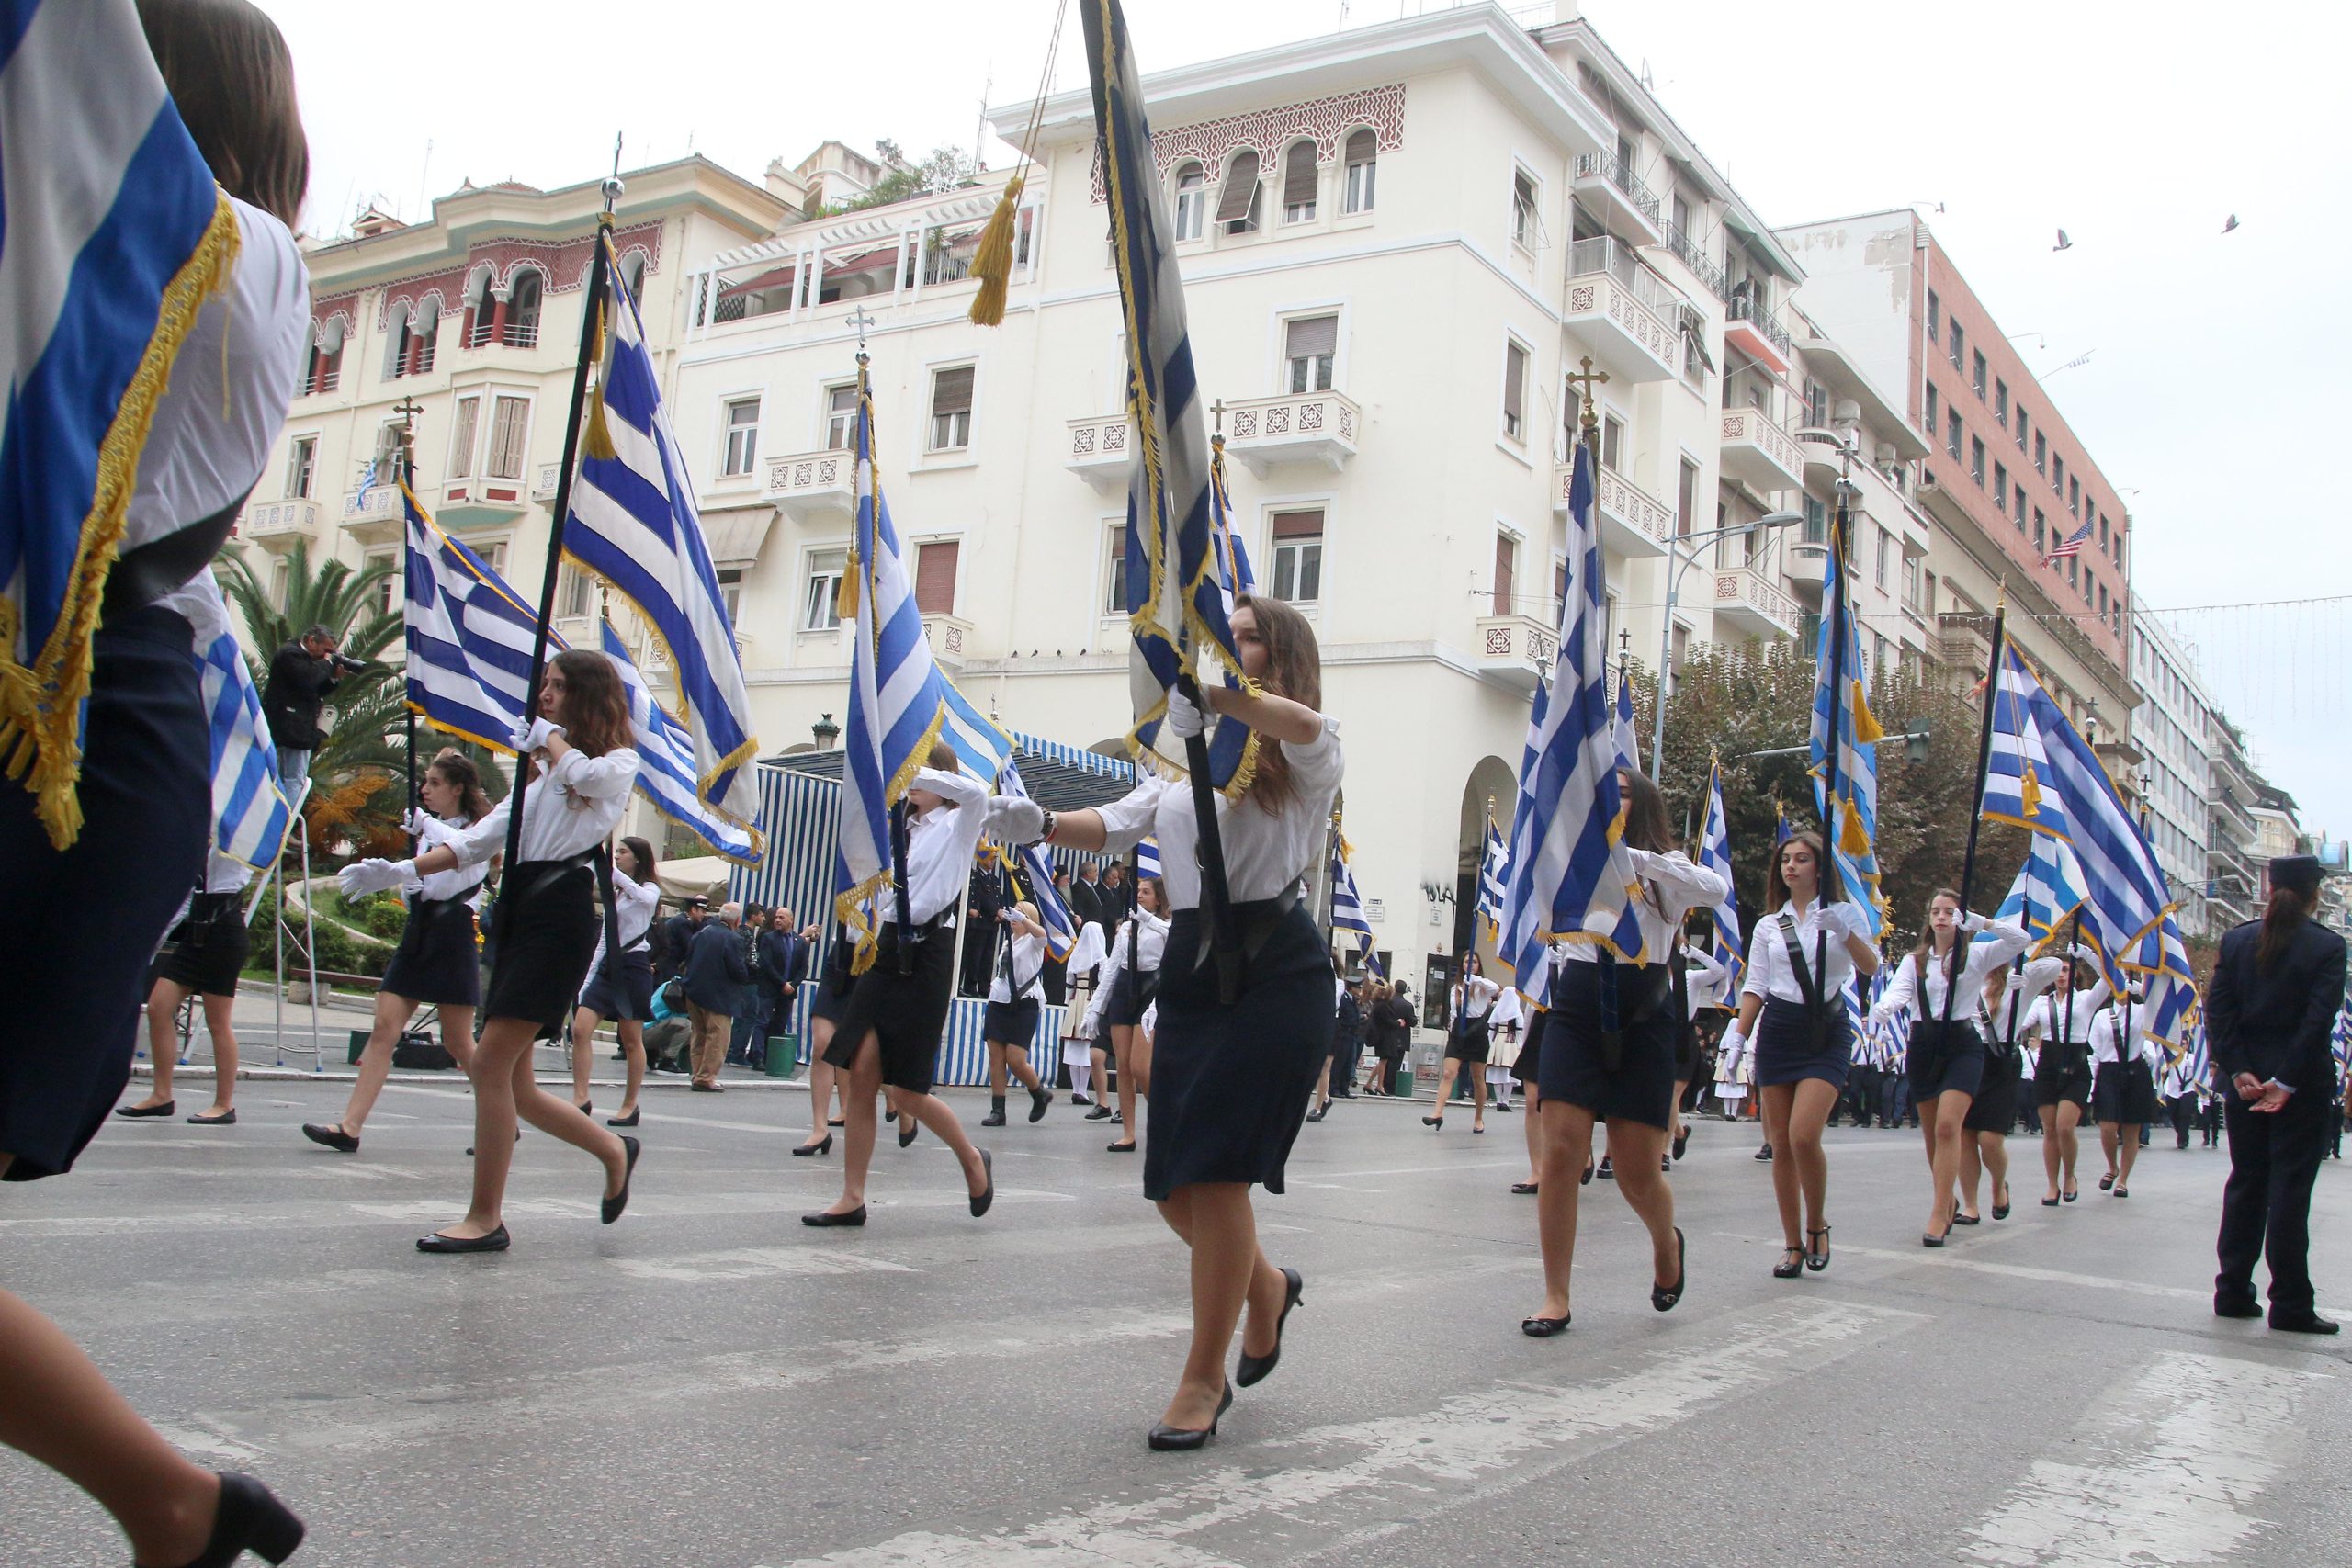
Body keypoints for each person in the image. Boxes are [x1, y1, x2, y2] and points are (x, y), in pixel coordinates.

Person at [0, 4, 312, 1559]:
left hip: (60, 701)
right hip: (99, 706)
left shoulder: (222, 242)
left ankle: (166, 1495)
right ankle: (170, 1499)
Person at [1030, 593, 1339, 1450]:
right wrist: (1039, 822)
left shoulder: (1306, 746)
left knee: (1219, 1172)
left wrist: (1225, 696)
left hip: (1274, 968)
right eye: (1226, 638)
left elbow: (1301, 725)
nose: (1230, 651)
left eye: (1249, 641)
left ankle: (1203, 1378)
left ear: (1282, 658)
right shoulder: (1186, 754)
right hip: (1197, 969)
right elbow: (1119, 824)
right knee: (1172, 1183)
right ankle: (1267, 1287)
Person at [339, 650, 643, 1251]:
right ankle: (613, 1149)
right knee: (518, 1084)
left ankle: (486, 1217)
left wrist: (552, 740)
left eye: (558, 687)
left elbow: (587, 778)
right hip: (519, 912)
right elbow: (475, 843)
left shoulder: (616, 762)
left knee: (487, 1063)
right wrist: (398, 868)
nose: (545, 695)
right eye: (545, 685)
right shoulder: (538, 781)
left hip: (560, 915)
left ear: (586, 696)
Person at [1521, 767, 1725, 1337]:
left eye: (1622, 794)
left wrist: (1636, 859)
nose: (1608, 803)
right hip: (1580, 1005)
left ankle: (1666, 1242)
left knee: (1636, 1170)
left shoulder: (1667, 870)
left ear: (1643, 805)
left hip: (1644, 1011)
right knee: (1563, 1153)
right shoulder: (1571, 860)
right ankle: (1555, 1294)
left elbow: (1716, 890)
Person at [802, 743, 1001, 1225]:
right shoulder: (896, 827)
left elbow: (976, 791)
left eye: (925, 773)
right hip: (887, 947)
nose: (913, 783)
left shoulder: (959, 822)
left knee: (907, 1090)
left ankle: (973, 1158)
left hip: (929, 953)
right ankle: (852, 1196)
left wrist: (915, 769)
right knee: (863, 1074)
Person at [300, 750, 493, 1153]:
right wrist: (398, 878)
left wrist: (425, 827)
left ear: (458, 788)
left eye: (435, 783)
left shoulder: (479, 829)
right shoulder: (428, 829)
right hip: (420, 930)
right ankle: (349, 1127)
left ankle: (498, 1115)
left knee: (458, 1041)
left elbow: (462, 854)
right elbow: (419, 872)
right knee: (384, 1028)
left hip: (453, 933)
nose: (425, 789)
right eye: (425, 782)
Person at [1719, 830, 1881, 1279]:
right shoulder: (1770, 925)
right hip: (1780, 1031)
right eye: (1786, 859)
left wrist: (1846, 933)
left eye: (1802, 859)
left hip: (1827, 1030)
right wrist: (1738, 1032)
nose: (1791, 866)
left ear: (1819, 868)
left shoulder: (1844, 913)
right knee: (1781, 1144)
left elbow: (1870, 966)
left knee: (1804, 1135)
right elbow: (1757, 984)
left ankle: (1816, 1224)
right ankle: (1791, 1242)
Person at [2211, 855, 2346, 1332]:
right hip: (2301, 1085)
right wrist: (2285, 1081)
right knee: (2289, 1191)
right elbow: (2317, 1021)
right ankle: (2288, 1304)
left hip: (2245, 1086)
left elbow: (2219, 1014)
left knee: (2246, 1182)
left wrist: (2240, 1070)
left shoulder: (2237, 940)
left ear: (2268, 888)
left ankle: (2231, 1292)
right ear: (2314, 896)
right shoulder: (2327, 947)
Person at [1869, 890, 2030, 1245]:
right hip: (1924, 1045)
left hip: (1962, 1045)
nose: (1941, 917)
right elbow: (1899, 991)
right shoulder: (1915, 962)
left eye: (1949, 912)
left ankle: (1940, 1211)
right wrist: (1885, 1007)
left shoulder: (1976, 955)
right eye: (1936, 911)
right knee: (1931, 1135)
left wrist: (1982, 923)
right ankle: (1948, 1196)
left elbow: (2021, 940)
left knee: (1947, 1128)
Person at [116, 852, 254, 1125]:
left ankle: (223, 1104)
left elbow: (247, 842)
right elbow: (185, 899)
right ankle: (161, 1095)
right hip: (196, 931)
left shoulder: (235, 838)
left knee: (218, 1022)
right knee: (159, 1007)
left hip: (223, 930)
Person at [1956, 942, 2089, 1221]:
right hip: (1968, 1056)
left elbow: (2053, 965)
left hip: (2002, 1061)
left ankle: (1998, 1184)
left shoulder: (2019, 982)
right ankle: (1970, 1205)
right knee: (1966, 1136)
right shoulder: (1969, 978)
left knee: (1989, 1138)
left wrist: (2024, 976)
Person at [565, 835, 662, 1126]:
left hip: (634, 966)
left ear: (638, 858)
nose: (618, 856)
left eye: (623, 852)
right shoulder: (617, 894)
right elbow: (604, 942)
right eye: (616, 852)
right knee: (581, 1029)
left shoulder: (648, 888)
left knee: (631, 1040)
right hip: (610, 965)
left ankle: (630, 1104)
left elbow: (646, 899)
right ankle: (580, 1098)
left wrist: (612, 872)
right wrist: (586, 983)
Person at [1087, 874, 1170, 1153]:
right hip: (1125, 989)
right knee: (1122, 1066)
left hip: (1151, 990)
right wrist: (1095, 1007)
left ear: (1159, 898)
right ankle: (1129, 1133)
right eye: (1139, 891)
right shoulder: (1125, 929)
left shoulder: (1166, 926)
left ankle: (1163, 1122)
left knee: (1140, 1066)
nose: (1140, 896)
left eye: (1146, 892)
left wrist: (1149, 921)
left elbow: (1175, 945)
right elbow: (1111, 969)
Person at [2023, 953, 2106, 1203]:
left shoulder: (2086, 999)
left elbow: (2108, 977)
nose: (2061, 975)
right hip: (2048, 1064)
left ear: (2076, 974)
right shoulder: (2041, 1002)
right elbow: (2021, 1022)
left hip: (2076, 1064)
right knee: (2049, 1129)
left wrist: (2086, 954)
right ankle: (2052, 1185)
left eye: (2067, 970)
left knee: (2065, 1127)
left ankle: (2069, 1175)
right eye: (2057, 970)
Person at [980, 902, 1055, 1127]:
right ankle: (998, 1109)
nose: (1014, 918)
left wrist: (1023, 919)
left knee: (1015, 1059)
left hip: (1025, 1002)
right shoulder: (1007, 941)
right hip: (999, 1000)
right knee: (996, 1057)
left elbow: (1043, 935)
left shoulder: (1034, 941)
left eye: (1020, 914)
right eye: (1013, 913)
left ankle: (1038, 1093)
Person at [261, 624, 359, 788]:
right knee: (294, 779)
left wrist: (333, 678)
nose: (327, 655)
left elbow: (314, 690)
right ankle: (287, 814)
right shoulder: (290, 653)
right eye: (326, 650)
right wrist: (327, 663)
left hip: (297, 729)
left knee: (287, 777)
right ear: (311, 641)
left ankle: (282, 811)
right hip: (290, 729)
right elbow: (307, 679)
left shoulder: (309, 661)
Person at [2089, 983, 2163, 1199]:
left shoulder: (2141, 1011)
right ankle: (2112, 1167)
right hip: (2108, 1070)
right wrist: (2092, 1082)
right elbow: (2094, 1050)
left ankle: (2123, 1180)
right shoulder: (2102, 1015)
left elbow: (2157, 1005)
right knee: (2107, 1126)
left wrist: (2141, 989)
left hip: (2134, 1070)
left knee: (2132, 1128)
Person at [793, 919, 858, 1156]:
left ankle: (901, 1106)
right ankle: (820, 1130)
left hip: (879, 955)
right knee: (821, 1045)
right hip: (841, 954)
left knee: (866, 1053)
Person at [1425, 953, 1499, 1133]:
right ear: (1462, 964)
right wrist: (1451, 1029)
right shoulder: (1455, 988)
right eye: (1467, 961)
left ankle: (1479, 1118)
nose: (1470, 964)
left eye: (1474, 962)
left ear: (1478, 966)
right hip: (1459, 1030)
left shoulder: (1483, 987)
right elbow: (1453, 1012)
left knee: (1477, 1078)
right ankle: (1437, 1113)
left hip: (1477, 1031)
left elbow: (1496, 988)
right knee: (1449, 1073)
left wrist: (1474, 980)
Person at [682, 901, 750, 1092]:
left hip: (694, 992)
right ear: (737, 921)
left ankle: (697, 1074)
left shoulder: (701, 933)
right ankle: (706, 1078)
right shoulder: (732, 939)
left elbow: (688, 958)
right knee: (717, 1038)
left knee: (699, 1034)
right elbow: (737, 970)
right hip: (719, 996)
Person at [1061, 919, 1109, 1106]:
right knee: (1088, 1045)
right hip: (1091, 999)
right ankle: (1082, 1091)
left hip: (1076, 1000)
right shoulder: (1100, 959)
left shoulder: (1075, 955)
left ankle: (1077, 1090)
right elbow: (1104, 983)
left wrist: (1068, 1001)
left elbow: (1068, 981)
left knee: (1074, 1045)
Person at [656, 897, 708, 984]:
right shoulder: (683, 923)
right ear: (693, 910)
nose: (704, 915)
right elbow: (690, 946)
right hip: (670, 966)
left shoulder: (682, 920)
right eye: (702, 911)